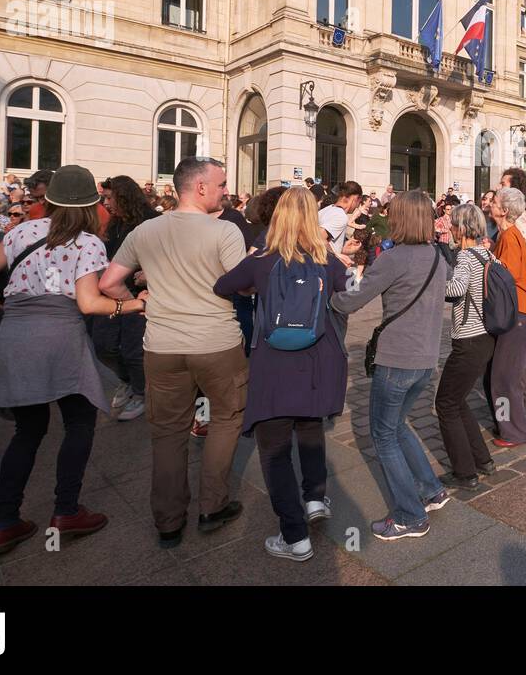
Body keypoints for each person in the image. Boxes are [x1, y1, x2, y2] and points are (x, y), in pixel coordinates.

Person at [0, 165, 142, 555]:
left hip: (14, 334)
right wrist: (133, 305)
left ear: (47, 199)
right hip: (61, 335)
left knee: (27, 432)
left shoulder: (20, 232)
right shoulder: (88, 243)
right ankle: (66, 510)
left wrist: (5, 303)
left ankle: (5, 522)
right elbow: (89, 302)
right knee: (79, 423)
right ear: (92, 205)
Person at [98, 157, 248, 549]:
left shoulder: (145, 230)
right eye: (221, 184)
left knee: (167, 433)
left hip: (162, 345)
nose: (225, 191)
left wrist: (137, 301)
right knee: (227, 418)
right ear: (199, 187)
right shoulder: (225, 231)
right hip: (217, 342)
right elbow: (244, 287)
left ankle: (168, 521)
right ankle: (212, 506)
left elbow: (110, 282)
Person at [212, 187, 348, 561]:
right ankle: (316, 499)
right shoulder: (325, 259)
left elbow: (223, 286)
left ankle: (295, 536)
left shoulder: (263, 259)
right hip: (316, 359)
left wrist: (255, 283)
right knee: (310, 431)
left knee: (273, 451)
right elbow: (347, 288)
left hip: (273, 361)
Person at [331, 191, 449, 541]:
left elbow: (354, 301)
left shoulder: (393, 259)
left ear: (400, 219)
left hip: (397, 359)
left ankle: (410, 516)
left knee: (383, 434)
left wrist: (328, 296)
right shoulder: (437, 257)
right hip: (426, 359)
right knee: (397, 426)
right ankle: (431, 489)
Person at [435, 203, 496, 491]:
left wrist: (433, 284)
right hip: (486, 337)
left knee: (445, 404)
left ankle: (465, 472)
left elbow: (456, 290)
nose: (450, 228)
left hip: (468, 339)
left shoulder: (465, 257)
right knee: (457, 400)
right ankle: (483, 459)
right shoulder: (488, 254)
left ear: (460, 228)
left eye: (453, 224)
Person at [92, 176, 157, 421]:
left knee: (133, 351)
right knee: (103, 346)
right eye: (104, 197)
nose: (105, 203)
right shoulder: (114, 224)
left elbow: (166, 255)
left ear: (125, 196)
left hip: (137, 297)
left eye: (109, 198)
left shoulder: (151, 221)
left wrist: (149, 274)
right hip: (109, 295)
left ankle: (140, 394)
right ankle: (127, 381)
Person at [482, 188, 526, 449]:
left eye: (494, 201)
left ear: (503, 210)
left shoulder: (510, 235)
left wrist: (486, 265)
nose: (490, 203)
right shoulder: (507, 235)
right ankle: (512, 425)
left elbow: (507, 275)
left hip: (519, 313)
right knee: (507, 376)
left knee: (504, 378)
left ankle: (515, 430)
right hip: (521, 312)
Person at [318, 180, 363, 258]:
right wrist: (336, 257)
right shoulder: (341, 216)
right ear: (355, 199)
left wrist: (343, 249)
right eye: (359, 202)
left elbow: (326, 242)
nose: (357, 206)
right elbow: (318, 237)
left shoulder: (327, 209)